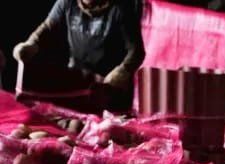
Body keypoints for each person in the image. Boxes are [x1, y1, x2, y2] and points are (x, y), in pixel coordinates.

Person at [14, 0, 145, 100]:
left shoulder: (121, 8)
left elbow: (136, 51)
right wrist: (31, 44)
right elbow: (46, 28)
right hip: (75, 82)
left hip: (108, 88)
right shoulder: (67, 3)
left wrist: (122, 71)